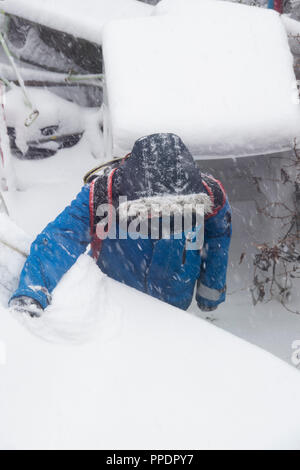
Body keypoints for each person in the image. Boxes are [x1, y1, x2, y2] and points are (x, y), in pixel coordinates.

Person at [9, 133, 232, 317]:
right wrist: (32, 291)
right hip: (115, 309)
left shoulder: (209, 195)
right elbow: (61, 238)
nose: (161, 218)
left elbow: (219, 238)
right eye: (151, 212)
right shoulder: (103, 194)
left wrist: (210, 290)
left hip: (176, 306)